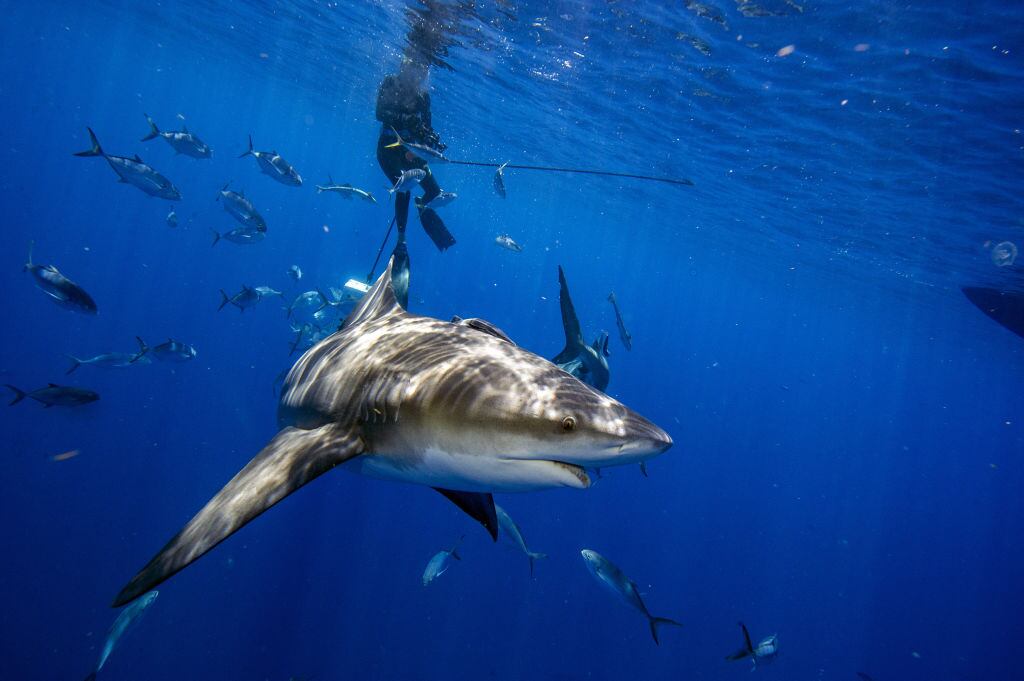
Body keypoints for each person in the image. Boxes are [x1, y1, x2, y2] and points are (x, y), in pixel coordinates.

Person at [375, 57, 454, 253]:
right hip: (388, 150)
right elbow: (380, 114)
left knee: (435, 192)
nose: (421, 76)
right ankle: (401, 241)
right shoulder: (390, 82)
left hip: (412, 151)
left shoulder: (423, 96)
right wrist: (407, 119)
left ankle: (422, 206)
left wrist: (431, 141)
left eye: (425, 72)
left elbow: (426, 127)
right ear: (405, 67)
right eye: (418, 70)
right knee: (404, 188)